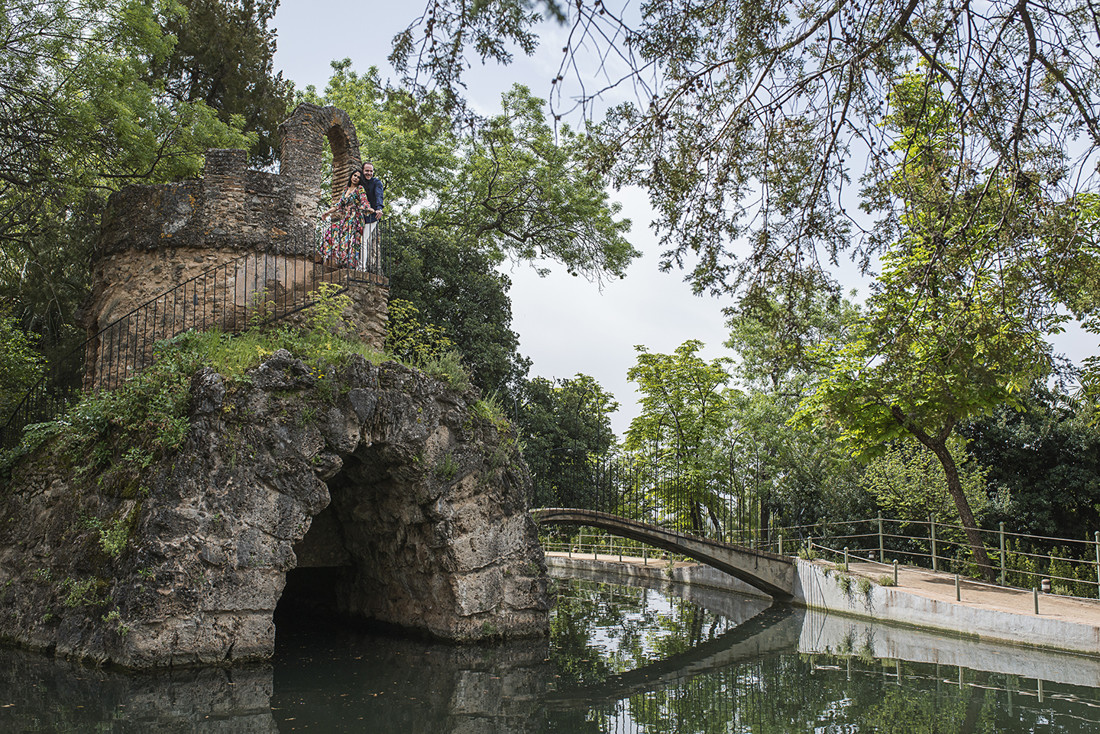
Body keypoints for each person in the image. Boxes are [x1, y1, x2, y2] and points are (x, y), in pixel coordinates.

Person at [320, 170, 375, 267]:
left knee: (351, 241)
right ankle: (331, 257)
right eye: (354, 175)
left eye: (358, 177)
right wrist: (327, 212)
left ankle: (350, 265)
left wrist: (368, 208)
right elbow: (338, 205)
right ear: (351, 176)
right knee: (332, 231)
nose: (355, 178)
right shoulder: (346, 189)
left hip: (356, 218)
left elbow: (364, 200)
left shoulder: (360, 188)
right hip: (346, 218)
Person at [360, 162, 384, 272]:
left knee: (364, 240)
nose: (369, 173)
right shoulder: (360, 183)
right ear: (362, 171)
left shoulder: (376, 182)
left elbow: (379, 195)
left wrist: (379, 208)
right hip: (359, 216)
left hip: (372, 217)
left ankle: (362, 267)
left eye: (371, 171)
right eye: (367, 171)